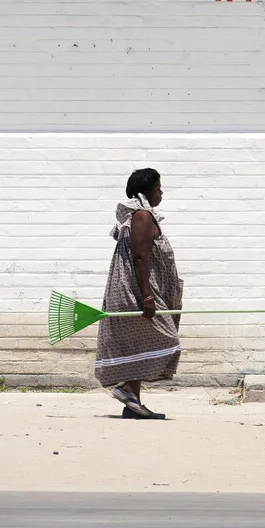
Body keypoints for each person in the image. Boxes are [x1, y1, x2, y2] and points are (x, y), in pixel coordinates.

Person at [95, 168, 183, 419]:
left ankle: (132, 401)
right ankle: (124, 388)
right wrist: (146, 295)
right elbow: (140, 256)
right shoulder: (142, 216)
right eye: (158, 188)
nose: (161, 193)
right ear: (147, 191)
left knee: (138, 343)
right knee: (168, 340)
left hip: (137, 287)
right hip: (137, 289)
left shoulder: (137, 215)